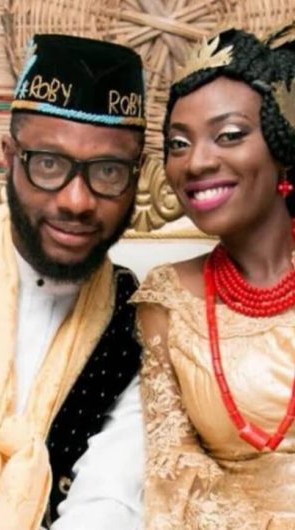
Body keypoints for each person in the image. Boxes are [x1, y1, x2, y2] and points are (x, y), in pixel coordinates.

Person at [0, 34, 146, 530]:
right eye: (49, 164)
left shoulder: (137, 324)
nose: (77, 201)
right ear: (9, 157)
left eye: (108, 171)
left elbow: (108, 503)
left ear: (136, 176)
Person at [132, 24, 295, 528]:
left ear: (281, 144)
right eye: (179, 143)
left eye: (229, 136)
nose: (197, 162)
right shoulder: (166, 299)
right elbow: (172, 466)